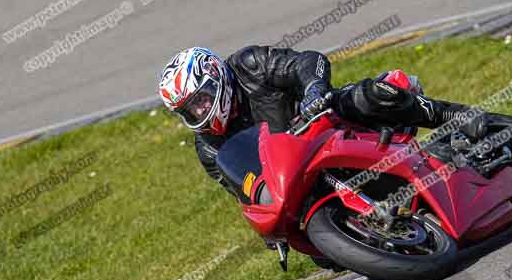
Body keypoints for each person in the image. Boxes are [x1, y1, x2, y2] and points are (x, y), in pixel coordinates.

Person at [158, 46, 486, 190]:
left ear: (215, 78)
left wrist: (314, 90)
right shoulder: (209, 148)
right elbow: (244, 191)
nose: (200, 112)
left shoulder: (249, 64)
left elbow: (307, 61)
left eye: (200, 100)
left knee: (372, 95)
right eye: (190, 109)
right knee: (322, 258)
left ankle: (452, 115)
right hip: (299, 175)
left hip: (326, 123)